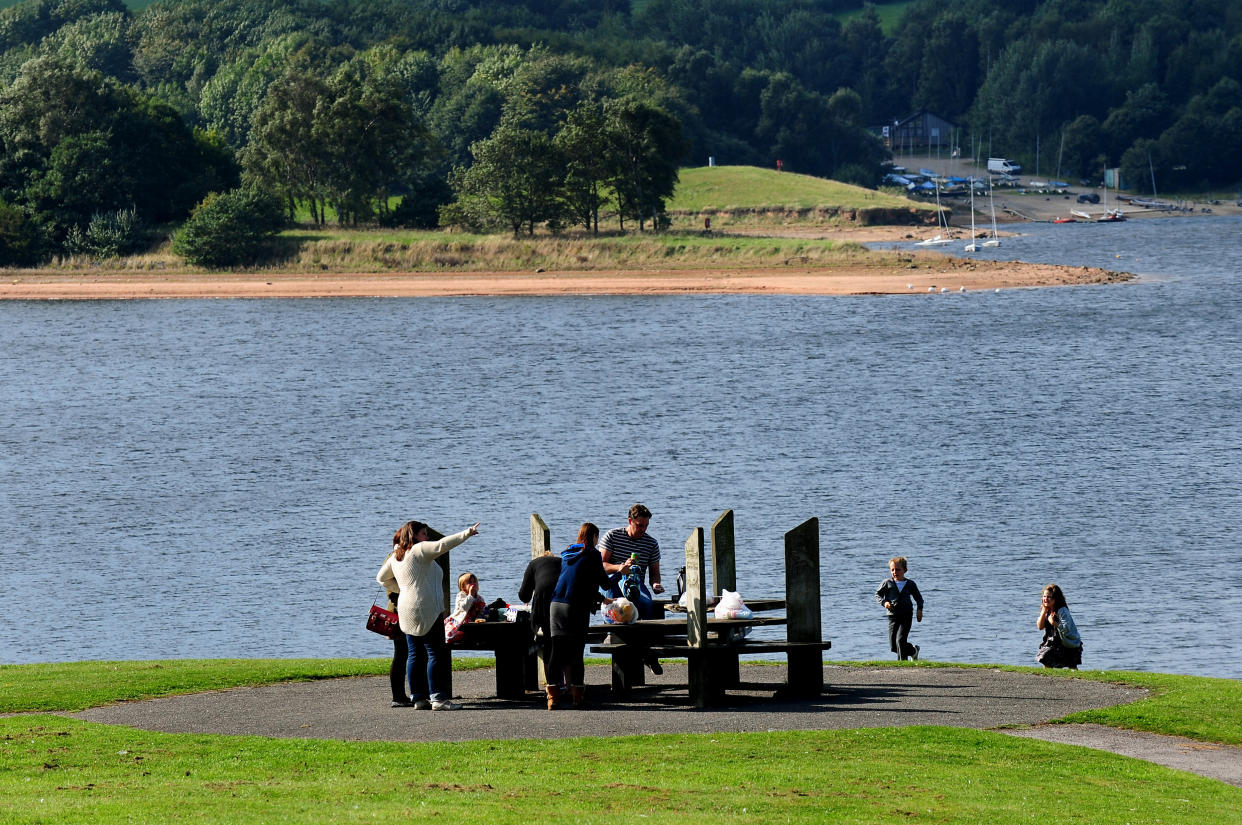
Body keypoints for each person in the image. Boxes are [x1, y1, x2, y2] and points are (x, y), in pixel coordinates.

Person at [376, 520, 480, 711]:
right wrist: (467, 533)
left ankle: (418, 698)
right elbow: (443, 544)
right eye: (424, 533)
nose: (427, 537)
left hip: (406, 608)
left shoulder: (397, 556)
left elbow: (381, 578)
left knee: (414, 654)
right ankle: (438, 698)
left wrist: (403, 588)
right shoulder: (419, 550)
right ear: (415, 536)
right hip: (427, 608)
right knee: (436, 652)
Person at [547, 522, 613, 709]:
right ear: (593, 536)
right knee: (576, 651)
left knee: (556, 651)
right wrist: (620, 570)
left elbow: (577, 580)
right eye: (597, 538)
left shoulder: (568, 552)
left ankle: (552, 698)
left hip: (556, 605)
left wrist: (599, 598)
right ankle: (577, 697)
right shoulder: (592, 554)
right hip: (576, 607)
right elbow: (604, 583)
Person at [598, 503, 663, 619]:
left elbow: (655, 573)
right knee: (618, 606)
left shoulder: (651, 544)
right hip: (611, 582)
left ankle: (644, 634)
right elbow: (600, 566)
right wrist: (620, 568)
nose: (643, 529)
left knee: (647, 603)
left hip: (635, 584)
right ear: (630, 521)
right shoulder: (612, 536)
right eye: (639, 525)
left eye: (646, 526)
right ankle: (615, 633)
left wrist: (655, 584)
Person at [518, 547, 562, 686]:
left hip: (542, 603)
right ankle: (564, 683)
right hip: (563, 601)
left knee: (546, 642)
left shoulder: (534, 564)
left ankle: (551, 684)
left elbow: (523, 595)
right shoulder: (561, 562)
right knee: (561, 641)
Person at [376, 548, 410, 707]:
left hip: (400, 610)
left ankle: (402, 696)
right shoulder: (396, 557)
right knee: (401, 654)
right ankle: (398, 696)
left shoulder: (397, 555)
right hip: (398, 612)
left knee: (404, 654)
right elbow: (388, 586)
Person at [875, 556, 924, 661]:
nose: (894, 572)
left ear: (905, 570)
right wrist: (884, 602)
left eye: (898, 569)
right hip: (893, 616)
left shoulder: (910, 584)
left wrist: (919, 609)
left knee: (900, 640)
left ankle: (903, 664)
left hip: (906, 615)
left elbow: (919, 598)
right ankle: (913, 651)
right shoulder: (887, 583)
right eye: (892, 570)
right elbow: (877, 595)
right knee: (894, 646)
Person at [1036, 583, 1082, 669]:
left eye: (1049, 597)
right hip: (1052, 641)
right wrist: (1043, 613)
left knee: (1072, 665)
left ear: (1056, 599)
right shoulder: (1046, 609)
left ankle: (1077, 681)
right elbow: (1040, 627)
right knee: (1045, 658)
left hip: (1067, 642)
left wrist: (1054, 623)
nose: (1046, 599)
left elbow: (1066, 629)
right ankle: (1047, 679)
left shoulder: (1062, 610)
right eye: (1044, 596)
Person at [445, 571, 486, 643]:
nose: (473, 584)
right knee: (451, 634)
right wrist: (470, 595)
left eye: (475, 582)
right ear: (463, 586)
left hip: (473, 621)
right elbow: (464, 607)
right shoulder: (461, 595)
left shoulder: (479, 598)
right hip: (460, 621)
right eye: (470, 582)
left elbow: (482, 609)